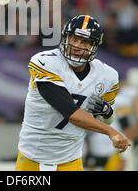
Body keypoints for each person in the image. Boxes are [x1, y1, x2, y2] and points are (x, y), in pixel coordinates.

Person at [16, 14, 131, 171]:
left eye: (84, 42)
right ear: (65, 38)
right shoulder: (45, 62)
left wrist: (106, 112)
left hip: (71, 161)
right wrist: (111, 132)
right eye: (74, 39)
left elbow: (105, 120)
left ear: (94, 46)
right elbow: (70, 112)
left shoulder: (107, 76)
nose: (77, 45)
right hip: (32, 159)